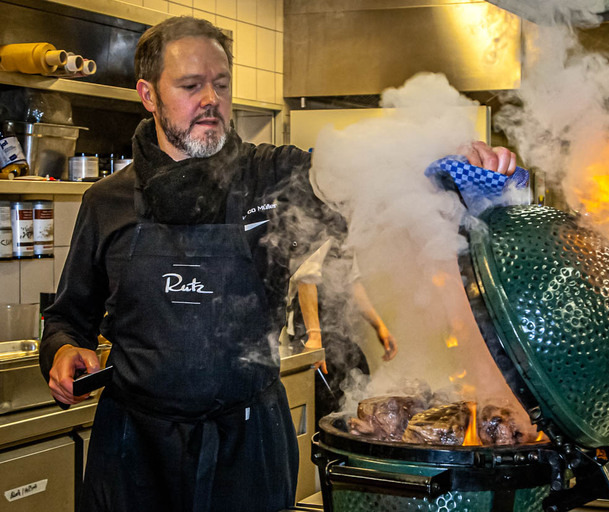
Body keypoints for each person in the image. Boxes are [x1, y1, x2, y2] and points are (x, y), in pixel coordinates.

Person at [38, 15, 517, 512]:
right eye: (191, 85)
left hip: (247, 446)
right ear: (148, 95)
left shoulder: (269, 177)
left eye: (222, 84)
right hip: (135, 452)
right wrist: (62, 350)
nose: (211, 99)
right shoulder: (107, 202)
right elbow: (68, 317)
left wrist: (449, 159)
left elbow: (361, 169)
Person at [283, 239, 397, 429]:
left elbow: (353, 283)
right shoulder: (315, 228)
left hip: (338, 334)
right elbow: (306, 278)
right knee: (324, 409)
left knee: (360, 374)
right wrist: (314, 337)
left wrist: (379, 326)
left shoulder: (343, 233)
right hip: (309, 336)